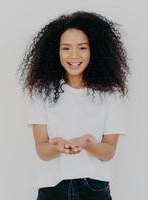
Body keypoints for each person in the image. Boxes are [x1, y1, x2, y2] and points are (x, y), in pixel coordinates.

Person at [18, 10, 130, 200]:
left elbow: (108, 152)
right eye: (66, 48)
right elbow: (42, 151)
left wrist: (88, 144)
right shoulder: (41, 92)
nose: (74, 56)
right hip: (53, 189)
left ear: (95, 50)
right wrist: (57, 147)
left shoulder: (110, 94)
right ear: (56, 51)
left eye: (83, 47)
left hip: (94, 189)